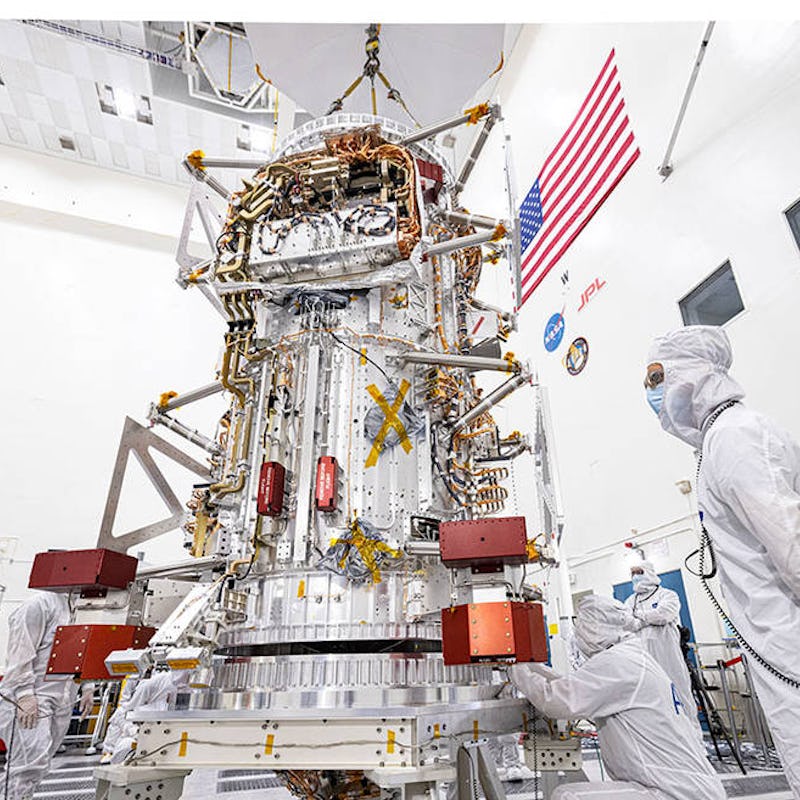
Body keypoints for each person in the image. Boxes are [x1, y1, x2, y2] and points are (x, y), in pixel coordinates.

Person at [646, 325, 800, 795]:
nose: (651, 393)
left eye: (656, 378)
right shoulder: (718, 441)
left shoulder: (735, 435)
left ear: (692, 375)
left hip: (790, 644)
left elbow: (791, 544)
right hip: (777, 646)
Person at [510, 595, 725, 800]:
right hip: (683, 786)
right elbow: (574, 686)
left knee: (567, 796)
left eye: (581, 624)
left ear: (595, 627)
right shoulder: (631, 657)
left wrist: (515, 669)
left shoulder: (617, 663)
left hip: (674, 791)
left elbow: (557, 700)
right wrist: (532, 668)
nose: (578, 633)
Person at [0, 591, 92, 800]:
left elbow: (81, 652)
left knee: (39, 766)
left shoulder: (79, 607)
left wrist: (87, 686)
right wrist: (24, 694)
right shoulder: (39, 604)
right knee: (25, 767)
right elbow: (20, 650)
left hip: (60, 700)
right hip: (31, 699)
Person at [623, 561, 697, 726]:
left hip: (667, 655)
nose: (635, 576)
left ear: (648, 572)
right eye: (633, 573)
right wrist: (647, 618)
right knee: (649, 696)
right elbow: (627, 623)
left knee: (678, 692)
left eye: (639, 572)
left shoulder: (667, 595)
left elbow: (664, 615)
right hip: (642, 657)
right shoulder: (630, 601)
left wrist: (639, 616)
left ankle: (693, 736)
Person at [100, 669, 190, 763]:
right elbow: (122, 713)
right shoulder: (154, 684)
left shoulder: (190, 690)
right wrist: (134, 731)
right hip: (133, 746)